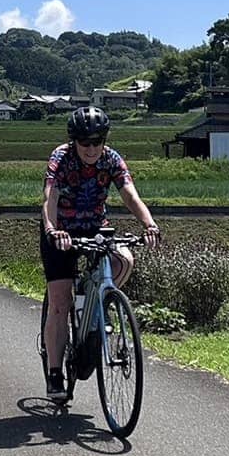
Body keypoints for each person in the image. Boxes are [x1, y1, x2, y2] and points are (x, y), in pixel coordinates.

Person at [41, 105, 160, 401]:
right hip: (62, 232)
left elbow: (130, 195)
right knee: (59, 303)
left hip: (96, 228)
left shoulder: (112, 159)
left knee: (125, 260)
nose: (92, 148)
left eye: (98, 141)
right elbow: (50, 196)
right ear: (74, 141)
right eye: (85, 142)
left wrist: (149, 223)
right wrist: (52, 229)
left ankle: (97, 303)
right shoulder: (61, 157)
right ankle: (56, 373)